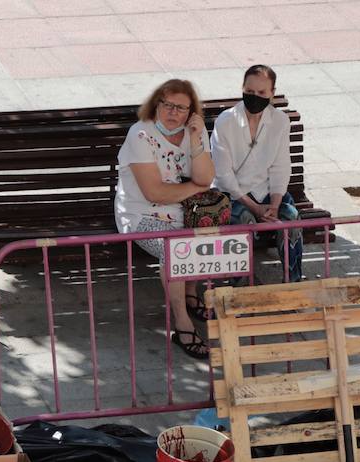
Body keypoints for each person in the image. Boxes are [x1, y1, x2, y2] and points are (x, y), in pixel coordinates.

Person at [114, 78, 228, 359]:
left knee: (205, 231)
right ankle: (183, 323)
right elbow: (155, 192)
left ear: (191, 112)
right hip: (141, 215)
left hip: (185, 211)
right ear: (157, 104)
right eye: (168, 105)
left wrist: (198, 140)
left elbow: (205, 176)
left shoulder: (193, 132)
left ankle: (191, 293)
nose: (173, 112)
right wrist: (197, 188)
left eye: (181, 108)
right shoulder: (140, 135)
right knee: (174, 250)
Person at [210, 64, 303, 283]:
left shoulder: (279, 121)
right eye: (250, 92)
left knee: (292, 219)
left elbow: (281, 166)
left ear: (272, 93)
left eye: (262, 93)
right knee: (244, 221)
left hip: (266, 193)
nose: (255, 97)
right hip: (233, 194)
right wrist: (254, 207)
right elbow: (223, 174)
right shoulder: (226, 121)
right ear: (242, 89)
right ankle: (242, 286)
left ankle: (293, 282)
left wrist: (275, 204)